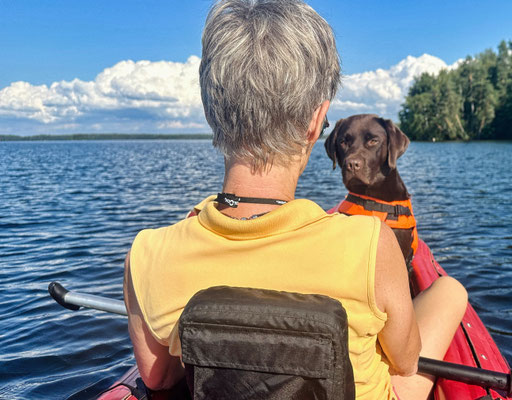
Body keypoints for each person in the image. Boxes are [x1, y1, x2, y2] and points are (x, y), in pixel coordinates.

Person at [123, 1, 468, 399]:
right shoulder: (371, 244)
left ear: (210, 111)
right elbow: (406, 361)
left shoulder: (147, 254)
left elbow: (158, 377)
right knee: (450, 291)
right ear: (314, 122)